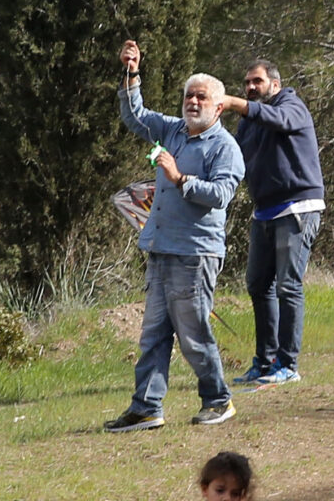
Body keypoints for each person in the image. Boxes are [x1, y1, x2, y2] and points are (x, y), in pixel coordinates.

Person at [103, 41, 245, 433]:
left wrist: (180, 180)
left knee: (193, 335)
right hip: (161, 249)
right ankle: (147, 408)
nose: (193, 102)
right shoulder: (173, 130)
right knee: (152, 335)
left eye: (202, 97)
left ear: (219, 108)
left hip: (195, 255)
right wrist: (132, 70)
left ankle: (218, 400)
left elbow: (219, 196)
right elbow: (136, 117)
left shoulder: (226, 148)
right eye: (188, 96)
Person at [217, 61, 324, 386]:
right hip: (264, 210)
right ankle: (264, 362)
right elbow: (233, 158)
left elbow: (279, 120)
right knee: (257, 285)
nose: (250, 86)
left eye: (257, 81)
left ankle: (287, 365)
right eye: (247, 82)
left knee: (287, 285)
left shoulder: (291, 105)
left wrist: (236, 103)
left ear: (274, 85)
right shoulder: (248, 124)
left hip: (297, 207)